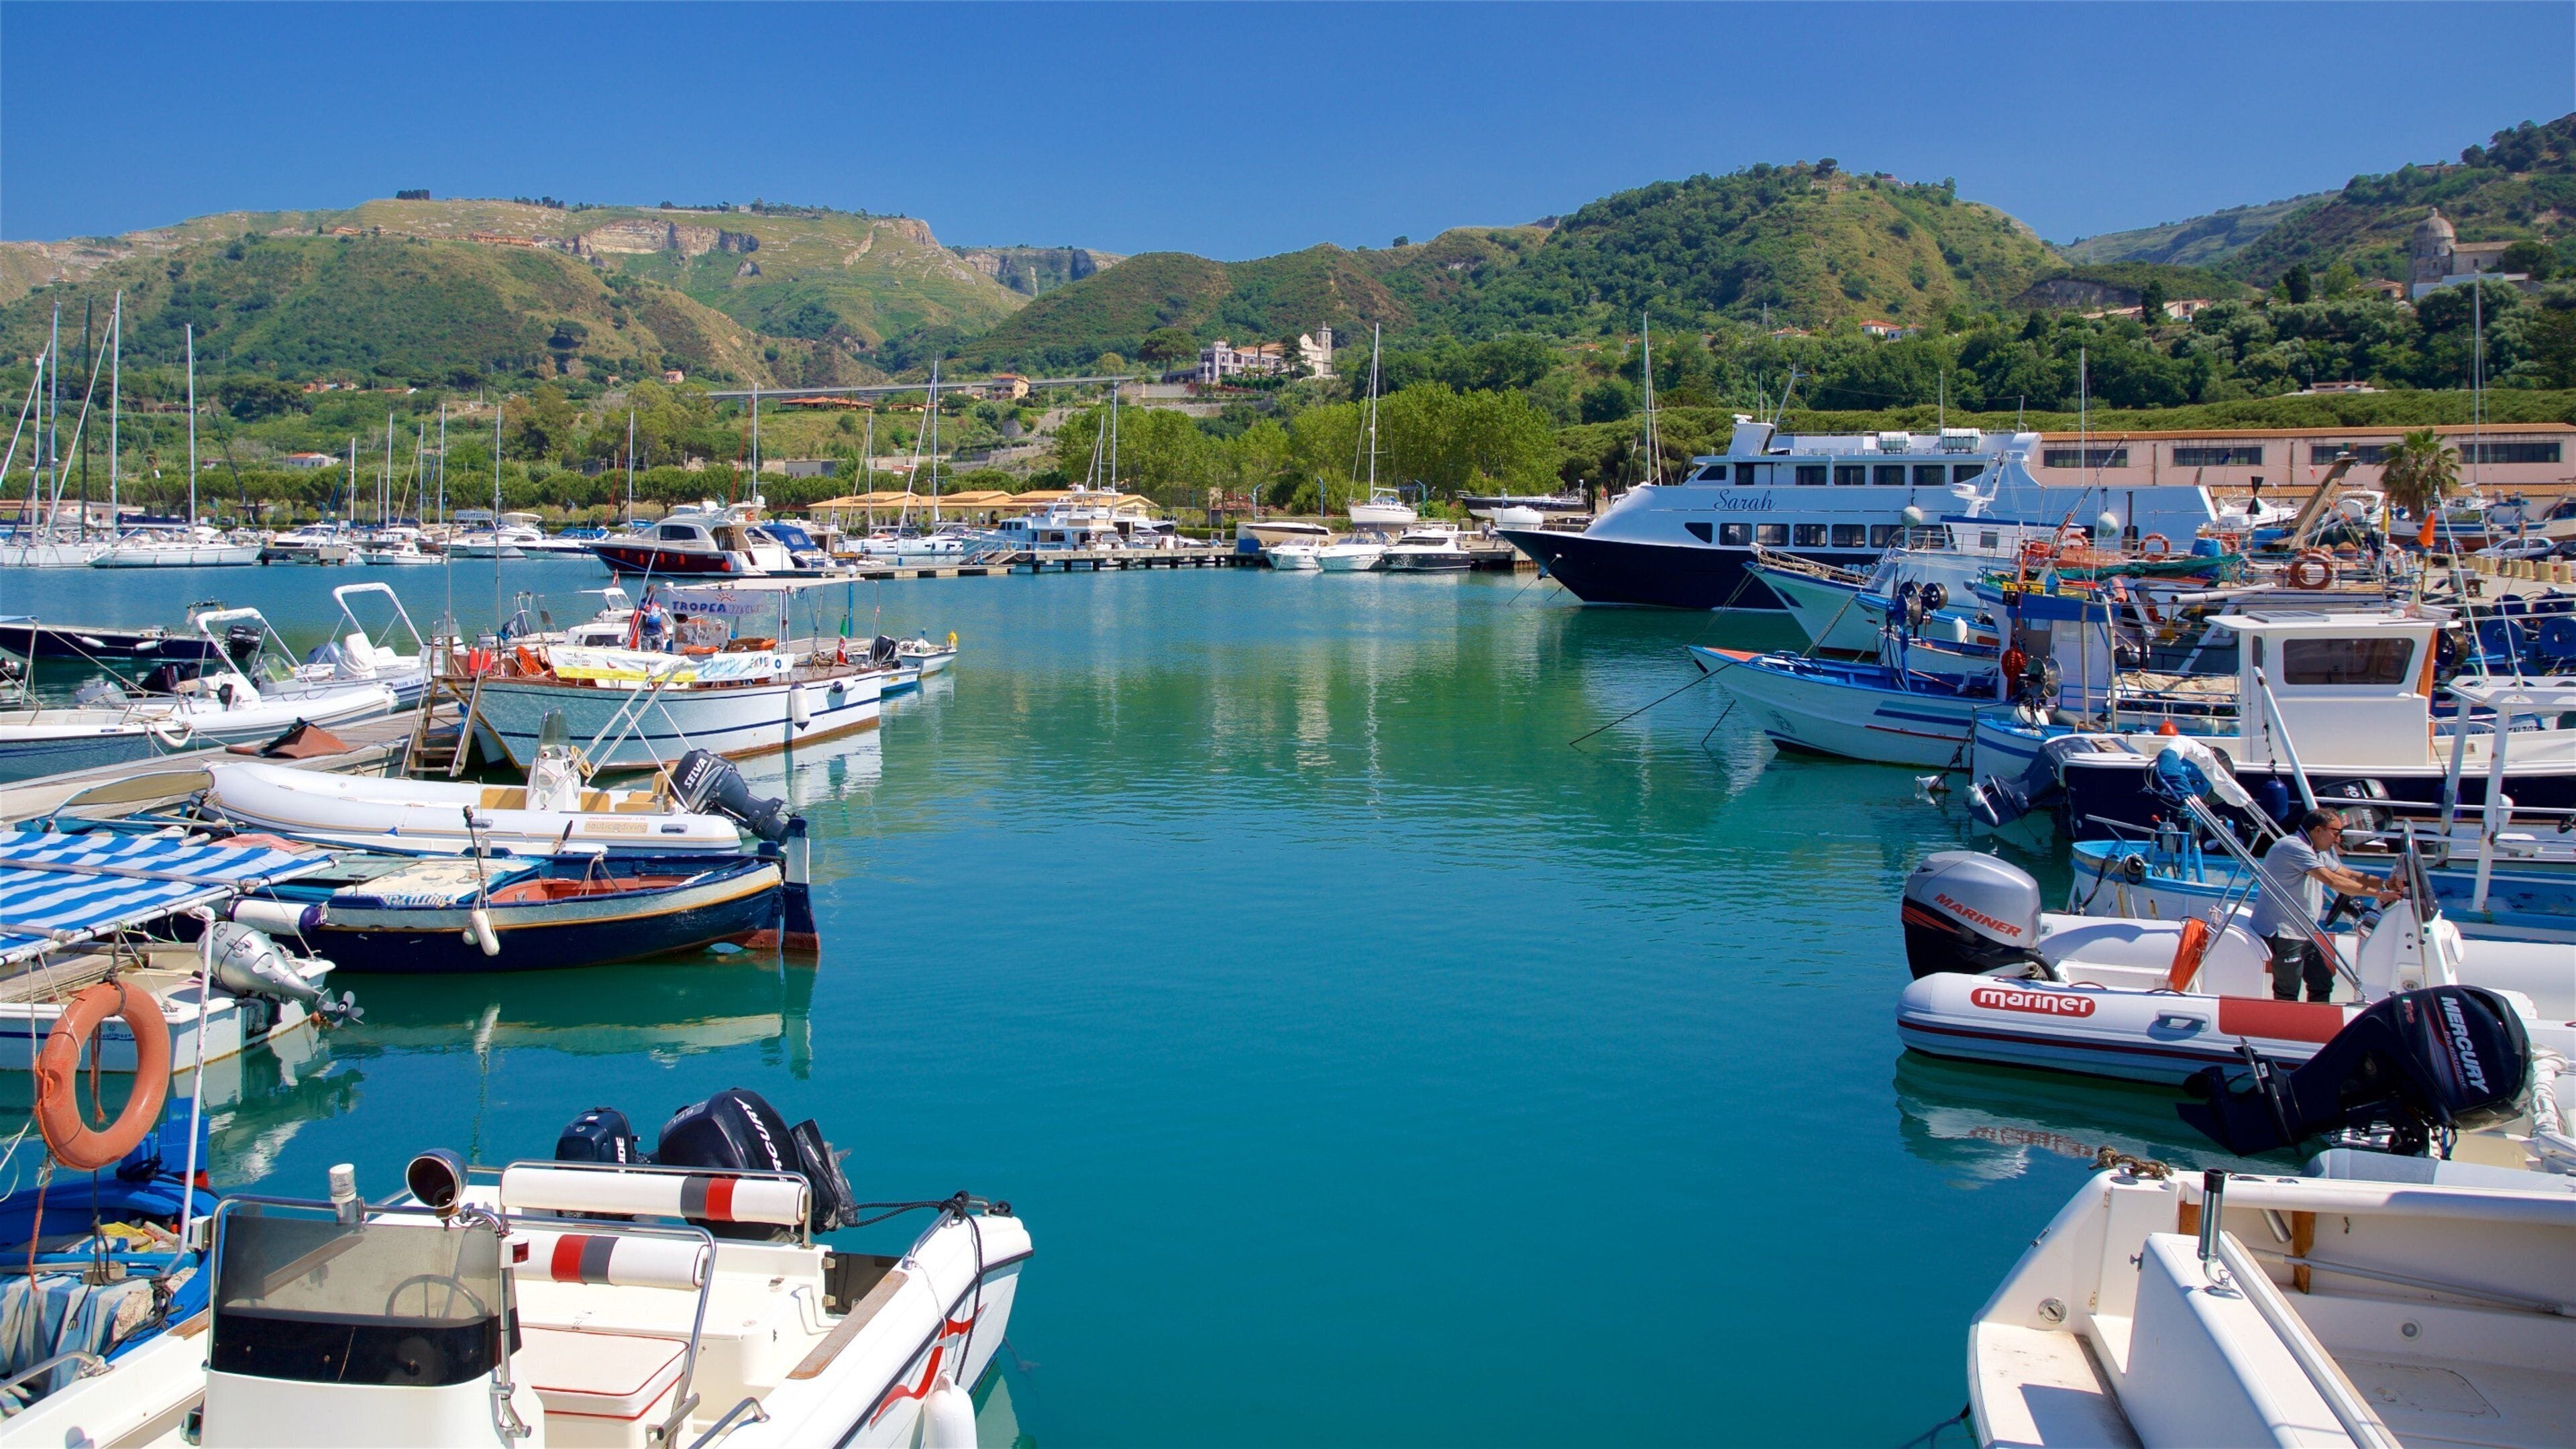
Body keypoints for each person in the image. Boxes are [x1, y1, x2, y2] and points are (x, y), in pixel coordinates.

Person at [2248, 808, 2403, 1002]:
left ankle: (2314, 1018)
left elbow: (2346, 874)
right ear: (2319, 830)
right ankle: (2287, 1021)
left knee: (2322, 983)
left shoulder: (2315, 851)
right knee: (2288, 991)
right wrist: (2380, 895)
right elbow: (2333, 881)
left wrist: (2385, 884)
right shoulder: (2293, 847)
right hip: (2283, 932)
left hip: (2301, 930)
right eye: (2336, 833)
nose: (2338, 840)